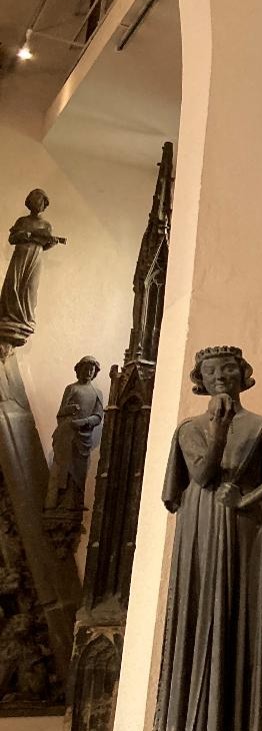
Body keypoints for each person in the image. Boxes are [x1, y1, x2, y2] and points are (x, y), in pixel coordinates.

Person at [150, 345, 262, 731]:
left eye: (228, 368)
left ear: (242, 374)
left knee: (242, 645)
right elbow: (201, 474)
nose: (220, 376)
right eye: (211, 370)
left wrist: (249, 498)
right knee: (196, 646)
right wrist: (217, 429)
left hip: (246, 542)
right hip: (199, 541)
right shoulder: (190, 430)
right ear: (200, 378)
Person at [0, 188, 66, 351]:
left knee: (30, 288)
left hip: (35, 257)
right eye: (35, 201)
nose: (38, 204)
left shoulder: (46, 225)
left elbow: (45, 245)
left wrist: (52, 242)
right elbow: (12, 238)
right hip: (20, 255)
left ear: (44, 204)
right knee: (13, 284)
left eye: (41, 202)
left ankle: (25, 318)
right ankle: (9, 315)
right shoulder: (22, 221)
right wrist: (27, 235)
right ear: (30, 203)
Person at [46, 356, 104, 511]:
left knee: (79, 470)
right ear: (79, 370)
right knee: (64, 468)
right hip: (67, 435)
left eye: (92, 370)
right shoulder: (71, 389)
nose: (89, 372)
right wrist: (70, 410)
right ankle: (60, 502)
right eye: (86, 369)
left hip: (83, 437)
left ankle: (75, 501)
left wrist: (84, 422)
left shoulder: (97, 393)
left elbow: (98, 416)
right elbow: (60, 413)